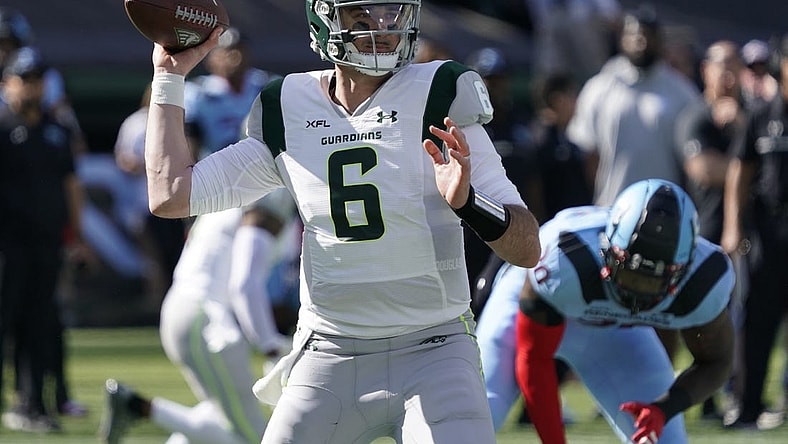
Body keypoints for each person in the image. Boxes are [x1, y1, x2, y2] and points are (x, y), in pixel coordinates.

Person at [140, 1, 541, 442]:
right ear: (325, 19)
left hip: (436, 350)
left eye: (393, 14)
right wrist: (169, 77)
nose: (384, 29)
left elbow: (527, 249)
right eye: (362, 16)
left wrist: (469, 204)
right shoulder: (288, 104)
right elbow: (171, 194)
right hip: (328, 354)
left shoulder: (439, 92)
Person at [479, 178, 735, 443]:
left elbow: (717, 362)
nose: (640, 294)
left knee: (666, 441)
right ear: (609, 252)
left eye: (655, 280)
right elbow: (534, 359)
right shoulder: (563, 260)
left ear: (683, 269)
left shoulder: (705, 280)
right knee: (478, 413)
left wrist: (662, 409)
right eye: (633, 276)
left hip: (617, 330)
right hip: (535, 301)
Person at [97, 190, 297, 444]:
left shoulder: (236, 190)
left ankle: (140, 406)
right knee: (256, 438)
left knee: (217, 414)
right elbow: (244, 284)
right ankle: (134, 405)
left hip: (182, 310)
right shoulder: (272, 193)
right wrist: (269, 344)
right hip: (207, 320)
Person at [566, 5, 704, 361]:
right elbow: (589, 154)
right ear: (621, 38)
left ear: (659, 40)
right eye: (633, 33)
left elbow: (690, 160)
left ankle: (659, 383)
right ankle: (606, 384)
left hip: (665, 221)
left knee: (661, 306)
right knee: (607, 307)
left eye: (647, 34)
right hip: (609, 213)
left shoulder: (680, 91)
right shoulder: (601, 86)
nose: (640, 40)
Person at [0, 47, 91, 433]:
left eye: (37, 79)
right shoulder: (2, 127)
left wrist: (78, 236)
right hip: (6, 245)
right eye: (25, 79)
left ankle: (33, 404)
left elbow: (71, 187)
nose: (32, 87)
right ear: (7, 83)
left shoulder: (57, 130)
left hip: (45, 244)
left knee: (39, 324)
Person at [720, 33, 788, 431]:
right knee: (758, 323)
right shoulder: (763, 114)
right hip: (769, 229)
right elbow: (739, 175)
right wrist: (733, 227)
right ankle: (747, 407)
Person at [677, 39, 746, 420]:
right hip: (704, 236)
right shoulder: (695, 115)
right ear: (706, 70)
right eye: (722, 65)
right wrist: (749, 170)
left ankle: (738, 395)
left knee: (742, 319)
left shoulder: (748, 117)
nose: (729, 74)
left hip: (747, 236)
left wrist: (742, 126)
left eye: (735, 65)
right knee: (706, 321)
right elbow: (702, 168)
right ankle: (706, 399)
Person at [184, 27, 281, 160]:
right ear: (211, 58)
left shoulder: (268, 86)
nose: (235, 56)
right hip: (215, 170)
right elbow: (189, 143)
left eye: (240, 49)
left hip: (262, 170)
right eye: (226, 51)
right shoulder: (196, 92)